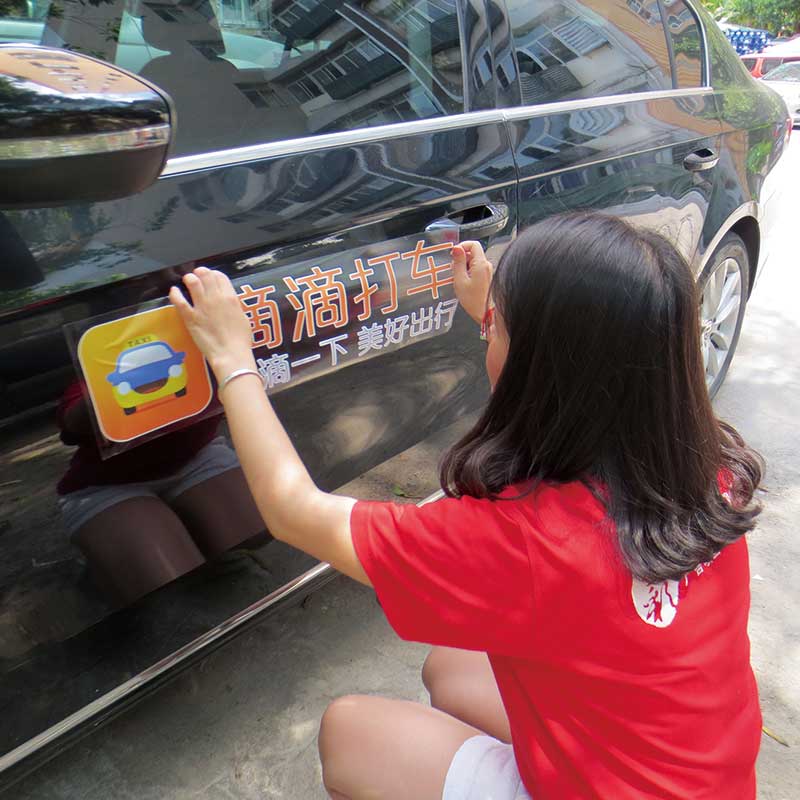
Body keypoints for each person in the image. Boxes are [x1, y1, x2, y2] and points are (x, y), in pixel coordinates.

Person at [170, 213, 764, 800]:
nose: (490, 332)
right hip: (705, 779)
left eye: (499, 328)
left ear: (539, 369)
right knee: (451, 669)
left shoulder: (527, 542)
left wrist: (232, 358)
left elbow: (292, 509)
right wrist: (499, 318)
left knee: (349, 733)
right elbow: (586, 373)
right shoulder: (708, 463)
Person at [57, 383, 268, 605]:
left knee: (260, 532)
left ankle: (186, 533)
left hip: (196, 455)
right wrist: (127, 384)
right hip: (108, 484)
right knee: (168, 593)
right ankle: (108, 565)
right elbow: (72, 424)